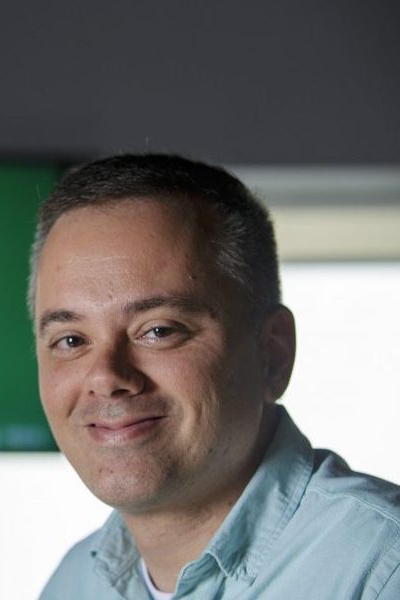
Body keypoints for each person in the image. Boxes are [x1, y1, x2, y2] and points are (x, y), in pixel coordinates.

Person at [30, 154, 400, 599]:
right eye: (71, 340)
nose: (106, 377)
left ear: (273, 354)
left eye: (159, 330)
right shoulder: (73, 584)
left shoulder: (381, 570)